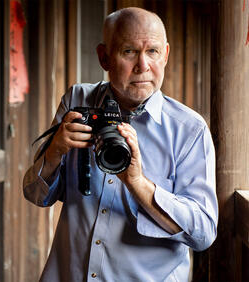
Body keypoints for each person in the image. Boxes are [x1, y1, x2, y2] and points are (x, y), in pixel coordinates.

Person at [23, 7, 218, 282]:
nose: (143, 66)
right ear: (104, 57)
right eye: (129, 51)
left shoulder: (189, 130)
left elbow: (203, 233)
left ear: (166, 55)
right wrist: (55, 150)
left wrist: (138, 183)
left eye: (153, 51)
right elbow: (34, 194)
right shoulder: (79, 101)